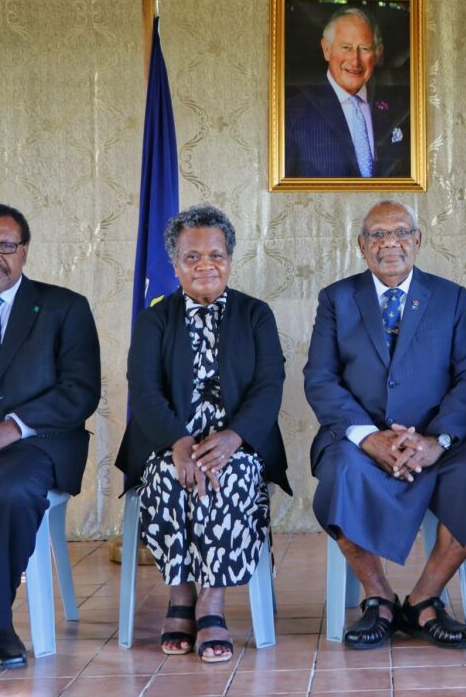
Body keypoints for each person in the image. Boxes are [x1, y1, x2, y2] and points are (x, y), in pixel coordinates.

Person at [304, 199, 466, 650]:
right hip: (360, 437)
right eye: (376, 234)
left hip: (439, 436)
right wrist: (367, 437)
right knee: (340, 473)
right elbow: (320, 377)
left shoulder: (450, 297)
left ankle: (425, 600)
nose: (389, 242)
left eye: (399, 232)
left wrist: (438, 440)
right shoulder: (336, 299)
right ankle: (379, 599)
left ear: (418, 240)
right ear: (360, 245)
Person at [115, 204, 290, 663]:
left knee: (226, 475)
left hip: (240, 439)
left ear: (230, 260)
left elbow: (270, 385)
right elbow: (145, 389)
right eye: (192, 257)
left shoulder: (256, 315)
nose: (205, 265)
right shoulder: (156, 318)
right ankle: (180, 596)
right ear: (176, 264)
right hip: (166, 439)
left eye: (216, 254)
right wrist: (178, 444)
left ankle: (212, 600)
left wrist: (233, 438)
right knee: (171, 477)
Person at [0, 204, 100, 669]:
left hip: (31, 444)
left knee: (11, 490)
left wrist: (8, 429)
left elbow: (81, 390)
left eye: (6, 245)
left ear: (24, 251)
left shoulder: (64, 307)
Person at [285, 6, 410, 178]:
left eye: (364, 48)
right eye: (346, 47)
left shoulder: (400, 110)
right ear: (327, 49)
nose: (355, 60)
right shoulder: (293, 113)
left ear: (378, 53)